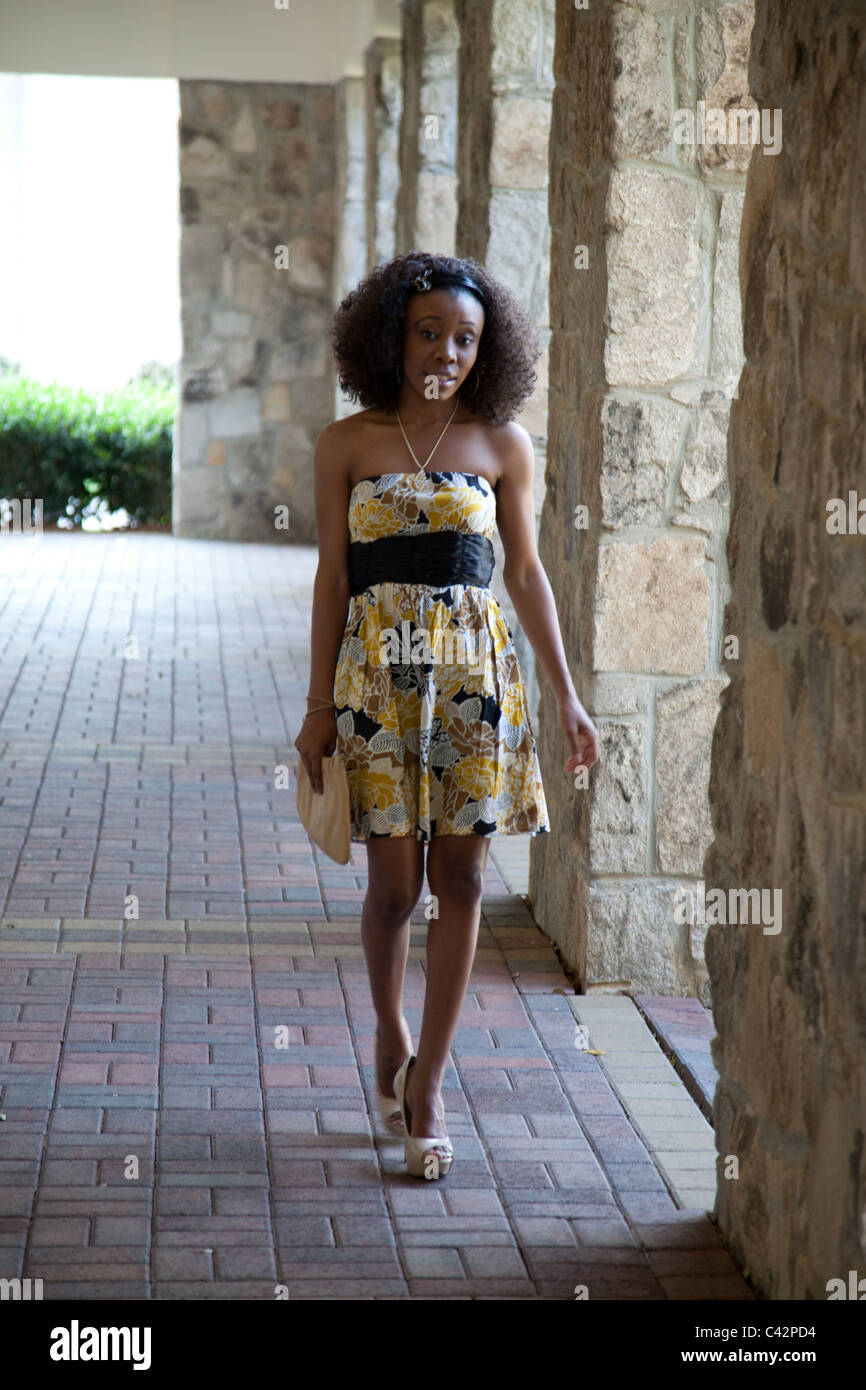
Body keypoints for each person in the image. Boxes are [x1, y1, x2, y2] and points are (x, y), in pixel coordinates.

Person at [294, 251, 600, 1179]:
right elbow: (334, 580)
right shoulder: (348, 443)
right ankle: (390, 1035)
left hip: (476, 682)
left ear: (486, 347)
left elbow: (528, 575)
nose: (447, 351)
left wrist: (567, 695)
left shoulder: (503, 445)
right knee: (394, 888)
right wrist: (317, 709)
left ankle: (429, 1082)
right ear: (393, 336)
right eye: (430, 331)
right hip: (377, 683)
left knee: (461, 882)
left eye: (466, 337)